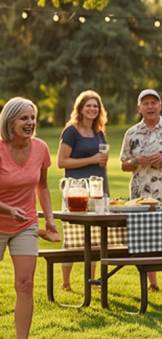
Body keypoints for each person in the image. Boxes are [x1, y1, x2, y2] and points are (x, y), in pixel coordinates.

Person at [0, 97, 60, 339]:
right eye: (24, 118)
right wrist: (7, 209)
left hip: (25, 224)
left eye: (33, 118)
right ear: (10, 121)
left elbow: (43, 187)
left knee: (25, 284)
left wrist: (50, 221)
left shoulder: (41, 148)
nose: (30, 122)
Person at [120, 89, 162, 292]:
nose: (150, 106)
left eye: (154, 102)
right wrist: (137, 161)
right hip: (141, 195)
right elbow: (124, 164)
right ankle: (152, 284)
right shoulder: (131, 133)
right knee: (145, 239)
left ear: (160, 106)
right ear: (139, 108)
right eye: (146, 103)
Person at [57, 90, 113, 291]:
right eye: (88, 105)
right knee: (72, 238)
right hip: (76, 192)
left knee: (96, 238)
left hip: (98, 191)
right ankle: (66, 283)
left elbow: (102, 164)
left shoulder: (99, 132)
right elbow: (62, 162)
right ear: (80, 108)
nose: (92, 109)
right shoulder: (71, 131)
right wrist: (92, 159)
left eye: (95, 106)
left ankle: (92, 281)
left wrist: (106, 191)